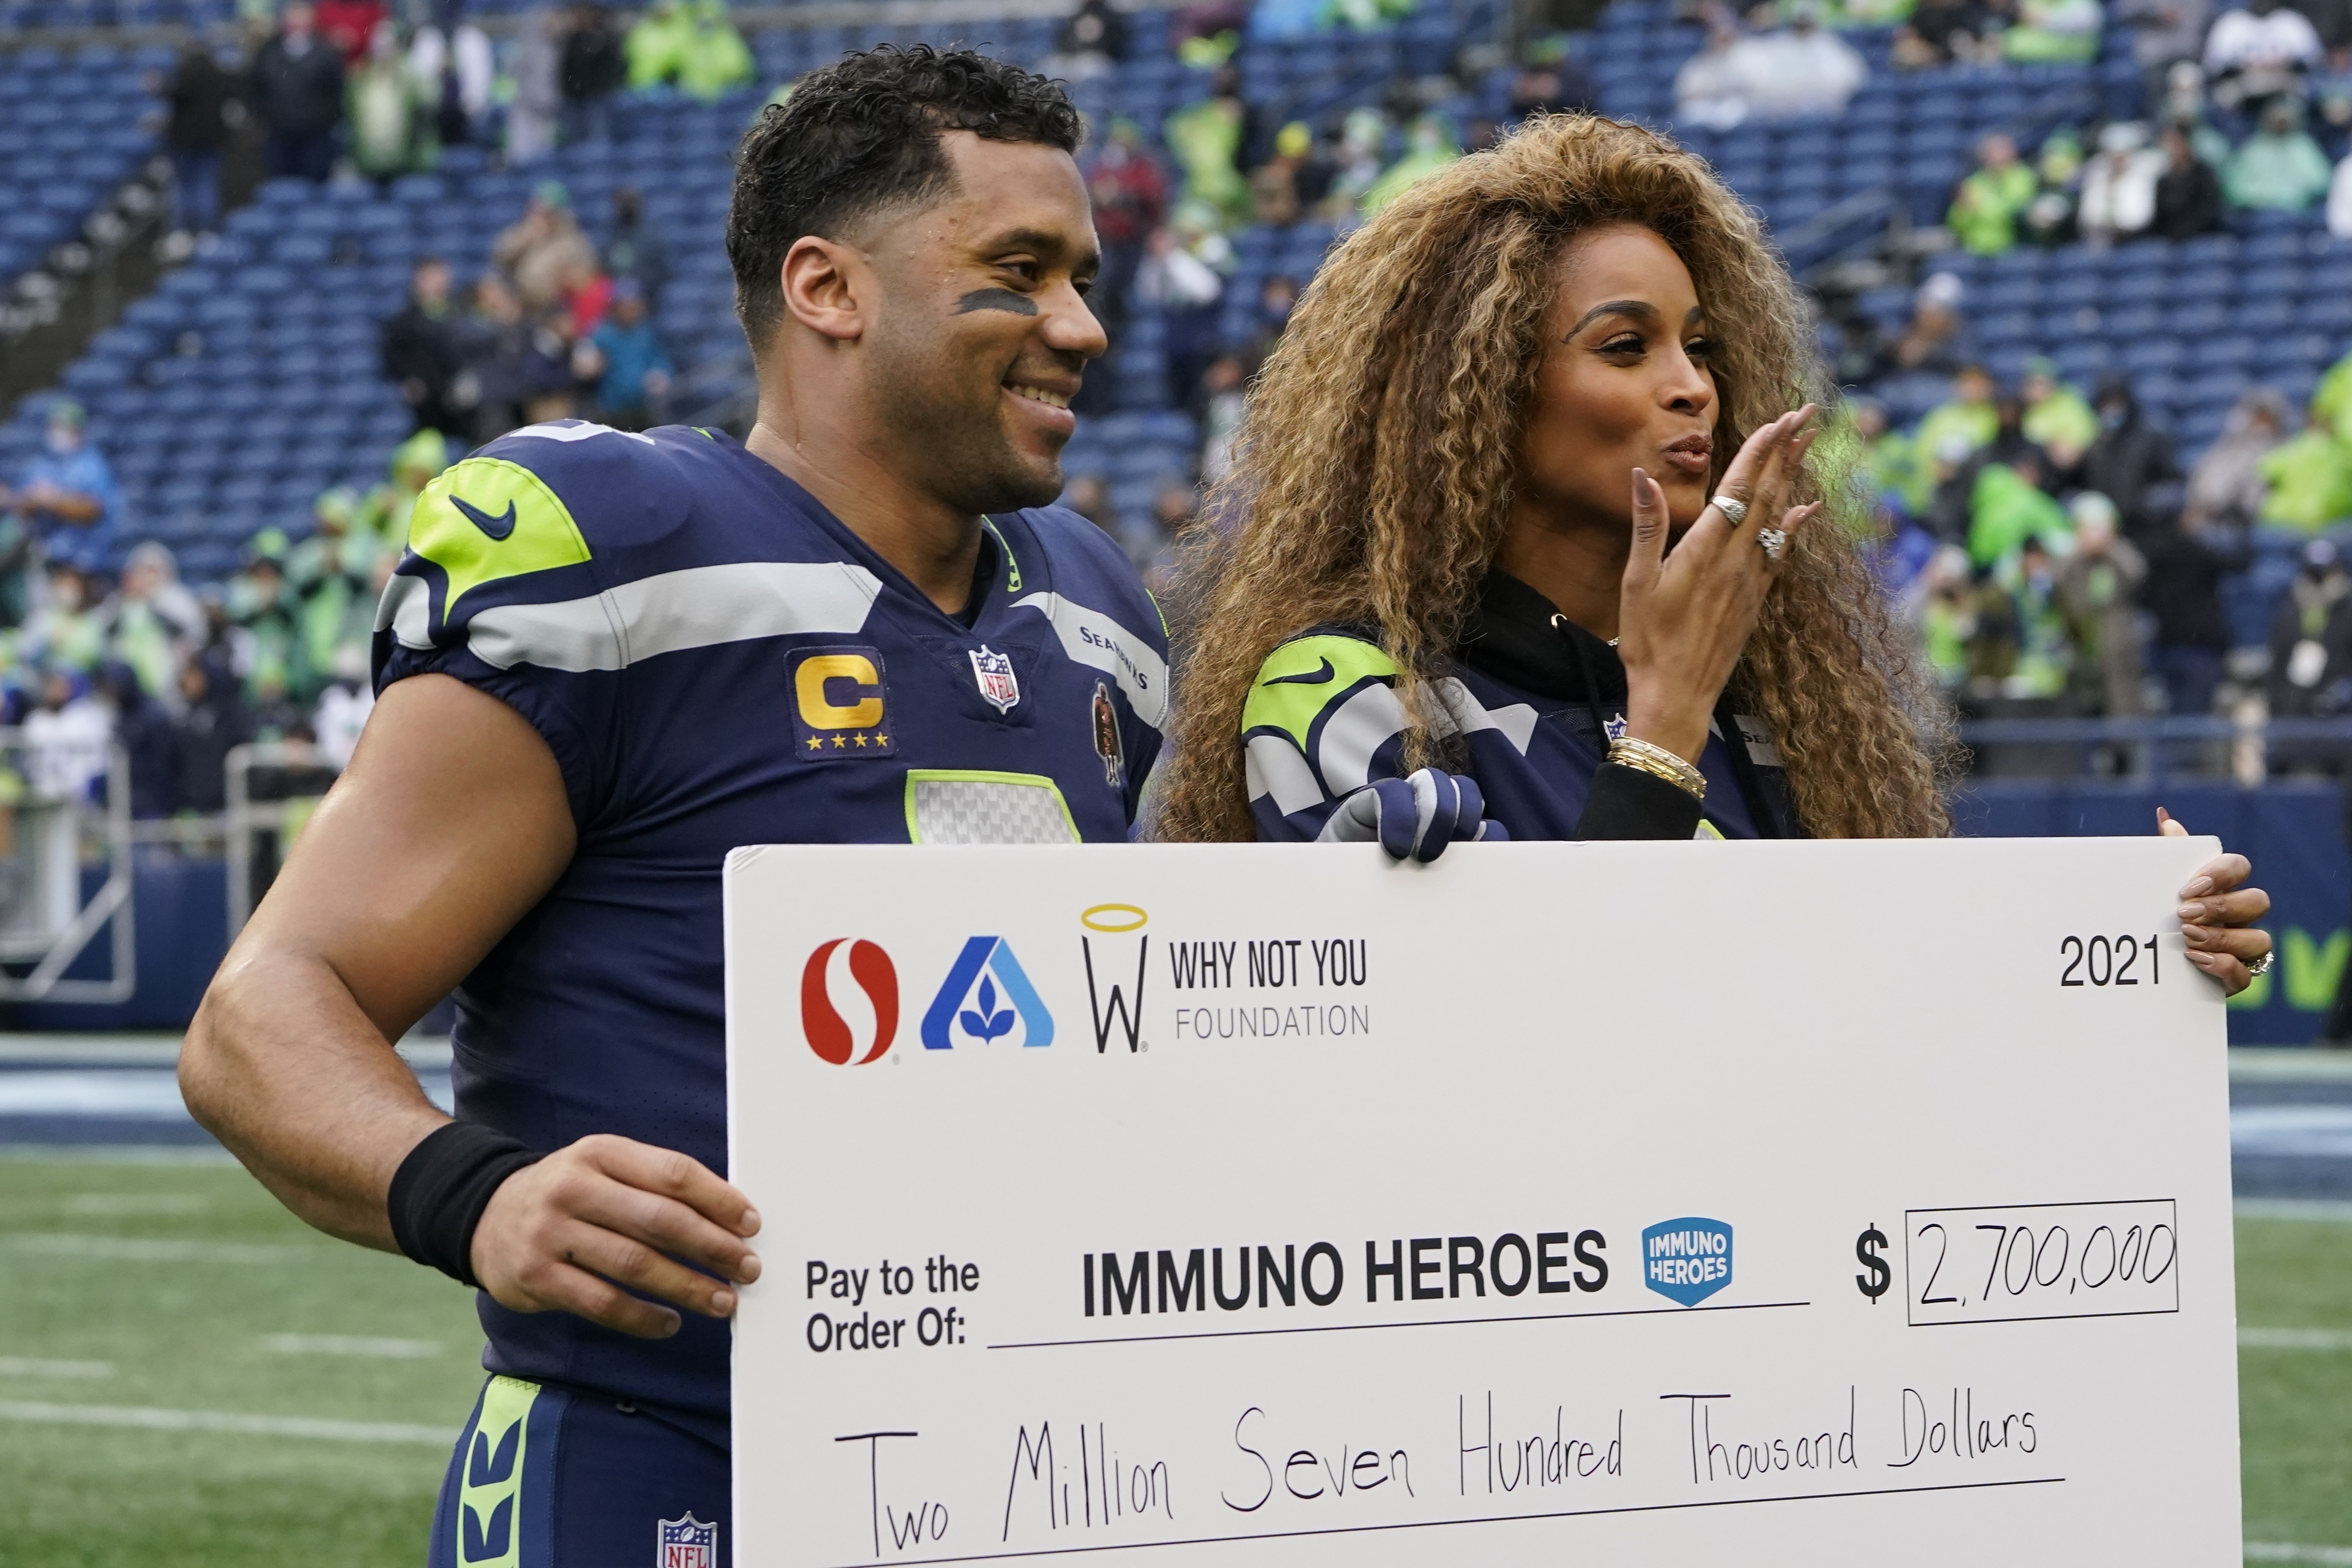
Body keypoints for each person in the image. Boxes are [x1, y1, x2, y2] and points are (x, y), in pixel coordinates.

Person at [178, 45, 1169, 1560]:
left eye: (1082, 275)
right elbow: (262, 1013)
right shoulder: (626, 550)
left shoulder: (1094, 606)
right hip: (659, 1453)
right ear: (828, 289)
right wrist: (474, 1194)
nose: (1080, 326)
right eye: (1018, 270)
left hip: (1012, 1458)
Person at [1152, 114, 2272, 988]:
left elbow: (1882, 1015)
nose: (1693, 385)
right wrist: (1662, 727)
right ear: (1480, 395)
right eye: (1626, 346)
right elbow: (1509, 1042)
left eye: (1699, 345)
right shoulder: (1342, 691)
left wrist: (2152, 948)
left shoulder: (1776, 704)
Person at [2054, 493, 2149, 716]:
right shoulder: (2070, 555)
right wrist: (2080, 549)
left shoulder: (2120, 553)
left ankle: (2123, 744)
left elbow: (2138, 573)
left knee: (2122, 698)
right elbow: (2057, 579)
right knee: (2080, 700)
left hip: (2116, 640)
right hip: (2079, 637)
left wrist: (2111, 548)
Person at [2, 401, 121, 574]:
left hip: (81, 558)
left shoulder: (93, 465)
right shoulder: (40, 465)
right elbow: (21, 507)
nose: (57, 433)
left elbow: (94, 510)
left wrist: (53, 501)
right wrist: (31, 501)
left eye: (64, 427)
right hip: (40, 553)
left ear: (79, 431)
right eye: (54, 427)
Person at [248, 1, 347, 182]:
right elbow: (256, 89)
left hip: (316, 140)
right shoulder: (269, 52)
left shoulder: (325, 53)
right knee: (282, 189)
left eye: (303, 13)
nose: (298, 19)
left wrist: (323, 122)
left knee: (314, 190)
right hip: (278, 138)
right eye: (293, 12)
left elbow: (336, 94)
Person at [2067, 376, 2181, 531]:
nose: (2112, 409)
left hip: (2146, 528)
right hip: (2105, 533)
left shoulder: (2151, 440)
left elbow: (2173, 482)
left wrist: (2147, 505)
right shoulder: (2092, 443)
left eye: (2117, 402)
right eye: (2106, 403)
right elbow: (2075, 485)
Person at [382, 258, 466, 437]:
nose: (437, 282)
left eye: (440, 275)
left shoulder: (463, 313)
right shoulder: (404, 322)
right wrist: (409, 379)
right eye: (430, 277)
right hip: (426, 405)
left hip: (462, 397)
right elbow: (393, 354)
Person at [159, 40, 232, 241]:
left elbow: (178, 95)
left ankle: (182, 231)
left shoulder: (187, 73)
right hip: (209, 140)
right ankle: (207, 231)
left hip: (187, 141)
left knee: (186, 187)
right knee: (206, 185)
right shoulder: (217, 74)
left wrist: (160, 88)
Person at [2187, 386, 2288, 528]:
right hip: (2206, 512)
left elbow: (2252, 496)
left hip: (2240, 519)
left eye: (2264, 417)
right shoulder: (2228, 446)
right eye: (2256, 416)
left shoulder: (2281, 450)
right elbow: (2201, 479)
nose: (2258, 423)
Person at [493, 182, 601, 311]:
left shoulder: (573, 242)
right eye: (536, 209)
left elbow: (584, 281)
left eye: (546, 212)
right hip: (519, 301)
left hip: (554, 307)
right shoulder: (524, 232)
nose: (539, 215)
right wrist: (525, 239)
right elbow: (499, 256)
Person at [580, 280, 672, 429]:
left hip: (644, 406)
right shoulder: (601, 334)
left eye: (634, 305)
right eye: (625, 306)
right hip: (612, 410)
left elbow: (660, 360)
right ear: (615, 308)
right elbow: (586, 365)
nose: (631, 310)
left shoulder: (646, 333)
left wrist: (661, 374)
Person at [2204, 0, 2324, 109]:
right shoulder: (2232, 22)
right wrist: (2246, 67)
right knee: (2224, 95)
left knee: (2306, 90)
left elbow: (2311, 61)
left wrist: (2281, 65)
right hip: (2243, 83)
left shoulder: (2291, 21)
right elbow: (2216, 66)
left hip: (2283, 81)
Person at [2223, 96, 2335, 211]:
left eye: (2285, 118)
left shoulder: (2305, 147)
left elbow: (2321, 182)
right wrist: (2267, 199)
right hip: (2260, 213)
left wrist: (2295, 196)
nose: (2281, 121)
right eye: (2275, 117)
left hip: (2300, 212)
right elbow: (2236, 190)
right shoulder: (2251, 150)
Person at [2258, 401, 2352, 530]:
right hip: (2331, 517)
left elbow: (2265, 469)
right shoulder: (2343, 452)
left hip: (2288, 518)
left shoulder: (2292, 448)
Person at [2076, 121, 2166, 242]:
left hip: (2137, 238)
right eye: (2113, 154)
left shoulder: (2145, 170)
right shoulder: (2097, 173)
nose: (2117, 159)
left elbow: (2139, 218)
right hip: (2101, 238)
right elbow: (2089, 216)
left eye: (2122, 154)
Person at [1950, 134, 2039, 255]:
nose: (2000, 156)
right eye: (1995, 152)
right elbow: (1956, 223)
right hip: (1976, 250)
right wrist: (1964, 210)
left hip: (2015, 246)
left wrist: (1980, 207)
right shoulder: (1974, 182)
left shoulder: (2023, 177)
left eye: (2004, 151)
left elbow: (2016, 208)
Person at [559, 1, 627, 145]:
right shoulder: (572, 39)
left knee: (598, 142)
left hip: (598, 99)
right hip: (575, 99)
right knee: (575, 143)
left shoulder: (605, 37)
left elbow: (613, 67)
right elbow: (566, 69)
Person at [2152, 121, 2228, 237]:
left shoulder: (2203, 174)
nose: (2172, 150)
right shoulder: (2163, 181)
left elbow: (2210, 210)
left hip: (2202, 235)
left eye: (2176, 144)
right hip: (2172, 239)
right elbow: (2160, 218)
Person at [601, 186, 671, 310]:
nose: (627, 206)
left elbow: (664, 271)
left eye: (631, 202)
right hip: (615, 305)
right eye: (623, 202)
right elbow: (602, 268)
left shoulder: (652, 237)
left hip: (648, 300)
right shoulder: (609, 236)